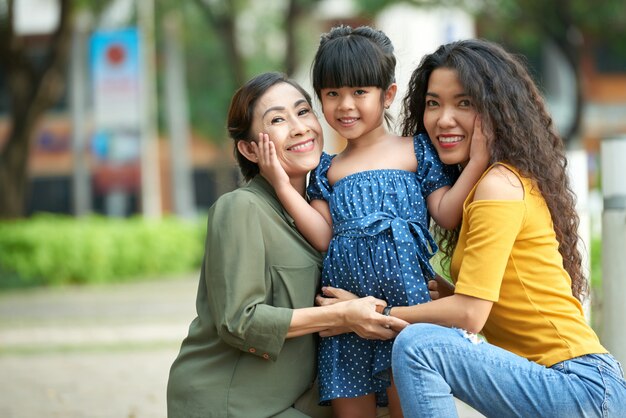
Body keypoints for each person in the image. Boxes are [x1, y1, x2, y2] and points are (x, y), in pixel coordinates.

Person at [322, 38, 626, 417]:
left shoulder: (499, 185)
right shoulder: (487, 185)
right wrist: (447, 294)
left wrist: (374, 313)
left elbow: (470, 316)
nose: (443, 119)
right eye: (433, 103)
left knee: (418, 345)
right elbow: (494, 299)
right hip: (553, 384)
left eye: (464, 103)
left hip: (577, 386)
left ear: (495, 110)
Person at [253, 26, 487, 418]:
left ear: (388, 95)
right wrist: (282, 184)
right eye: (332, 94)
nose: (345, 105)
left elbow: (446, 212)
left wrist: (478, 160)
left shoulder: (415, 150)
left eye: (359, 92)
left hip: (408, 311)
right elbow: (324, 236)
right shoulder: (328, 169)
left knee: (407, 405)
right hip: (346, 315)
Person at [166, 72, 407, 418]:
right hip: (232, 401)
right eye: (278, 119)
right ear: (249, 148)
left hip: (299, 399)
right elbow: (239, 320)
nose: (299, 127)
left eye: (303, 111)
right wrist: (341, 315)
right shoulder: (241, 208)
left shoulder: (325, 213)